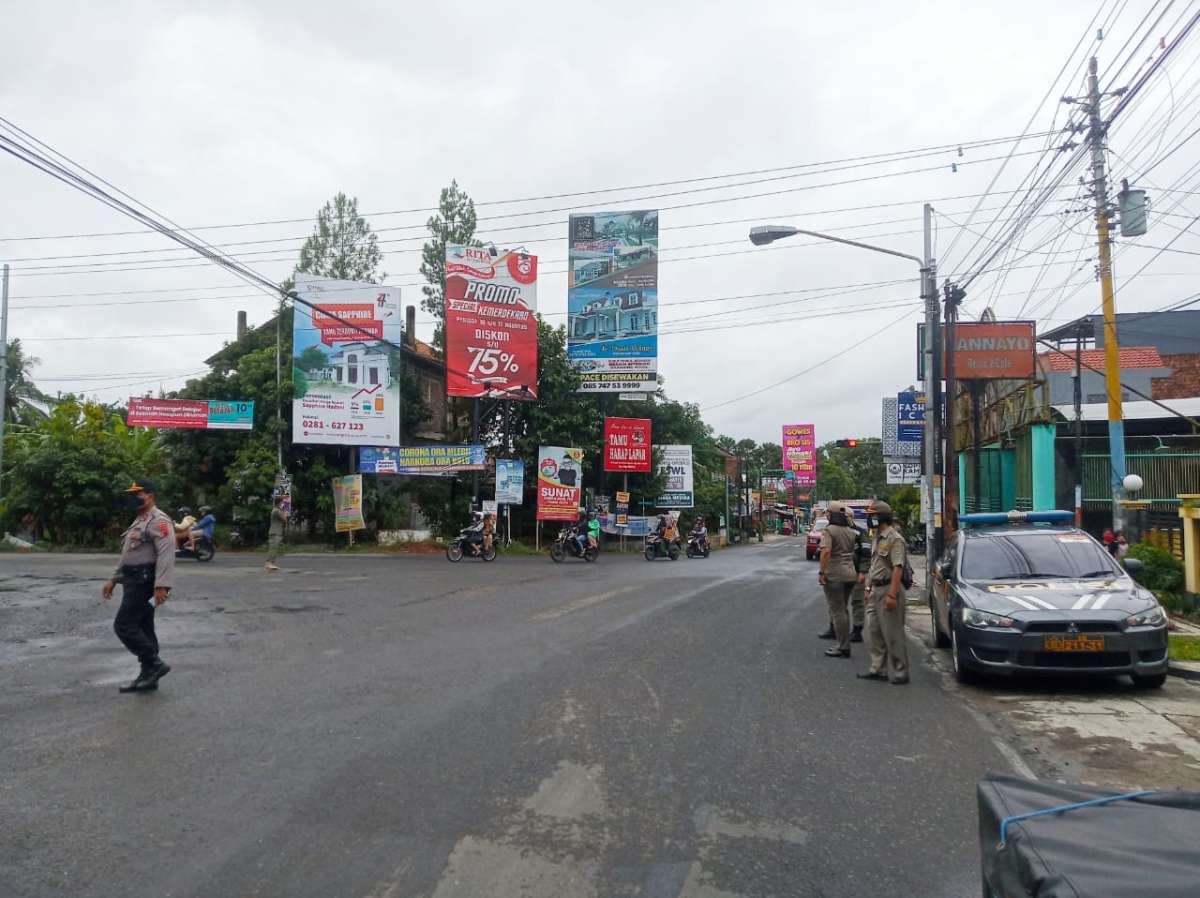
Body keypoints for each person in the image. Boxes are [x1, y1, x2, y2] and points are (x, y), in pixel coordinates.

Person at [101, 478, 175, 693]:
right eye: (131, 494)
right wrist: (114, 579)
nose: (133, 498)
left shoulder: (159, 520)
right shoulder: (139, 520)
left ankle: (154, 664)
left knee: (124, 626)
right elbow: (128, 555)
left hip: (144, 580)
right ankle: (148, 675)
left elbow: (166, 552)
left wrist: (162, 585)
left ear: (150, 495)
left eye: (138, 493)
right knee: (144, 627)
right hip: (132, 579)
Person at [858, 500, 910, 685]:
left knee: (893, 633)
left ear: (881, 517)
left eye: (872, 515)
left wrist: (892, 595)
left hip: (889, 589)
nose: (869, 518)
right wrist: (867, 588)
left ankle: (901, 671)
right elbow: (874, 566)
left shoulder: (894, 539)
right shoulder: (876, 537)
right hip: (875, 590)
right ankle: (878, 668)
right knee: (873, 630)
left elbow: (898, 568)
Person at [817, 502, 864, 659]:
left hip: (835, 575)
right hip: (851, 574)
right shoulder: (852, 531)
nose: (827, 515)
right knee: (843, 610)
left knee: (838, 611)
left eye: (829, 513)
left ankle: (843, 646)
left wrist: (822, 572)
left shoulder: (829, 530)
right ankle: (844, 643)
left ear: (833, 514)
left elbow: (826, 551)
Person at [265, 496, 288, 571]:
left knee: (274, 548)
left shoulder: (277, 510)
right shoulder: (276, 511)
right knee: (273, 548)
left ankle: (271, 563)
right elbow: (284, 519)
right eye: (282, 503)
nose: (283, 504)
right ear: (279, 503)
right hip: (275, 532)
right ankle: (269, 563)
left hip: (276, 532)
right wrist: (284, 511)